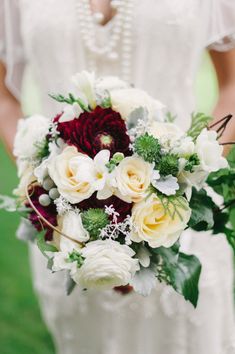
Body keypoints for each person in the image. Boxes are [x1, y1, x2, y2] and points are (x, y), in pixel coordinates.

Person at [1, 1, 235, 353]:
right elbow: (5, 96)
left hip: (178, 220)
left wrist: (188, 174)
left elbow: (232, 83)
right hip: (66, 232)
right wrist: (42, 179)